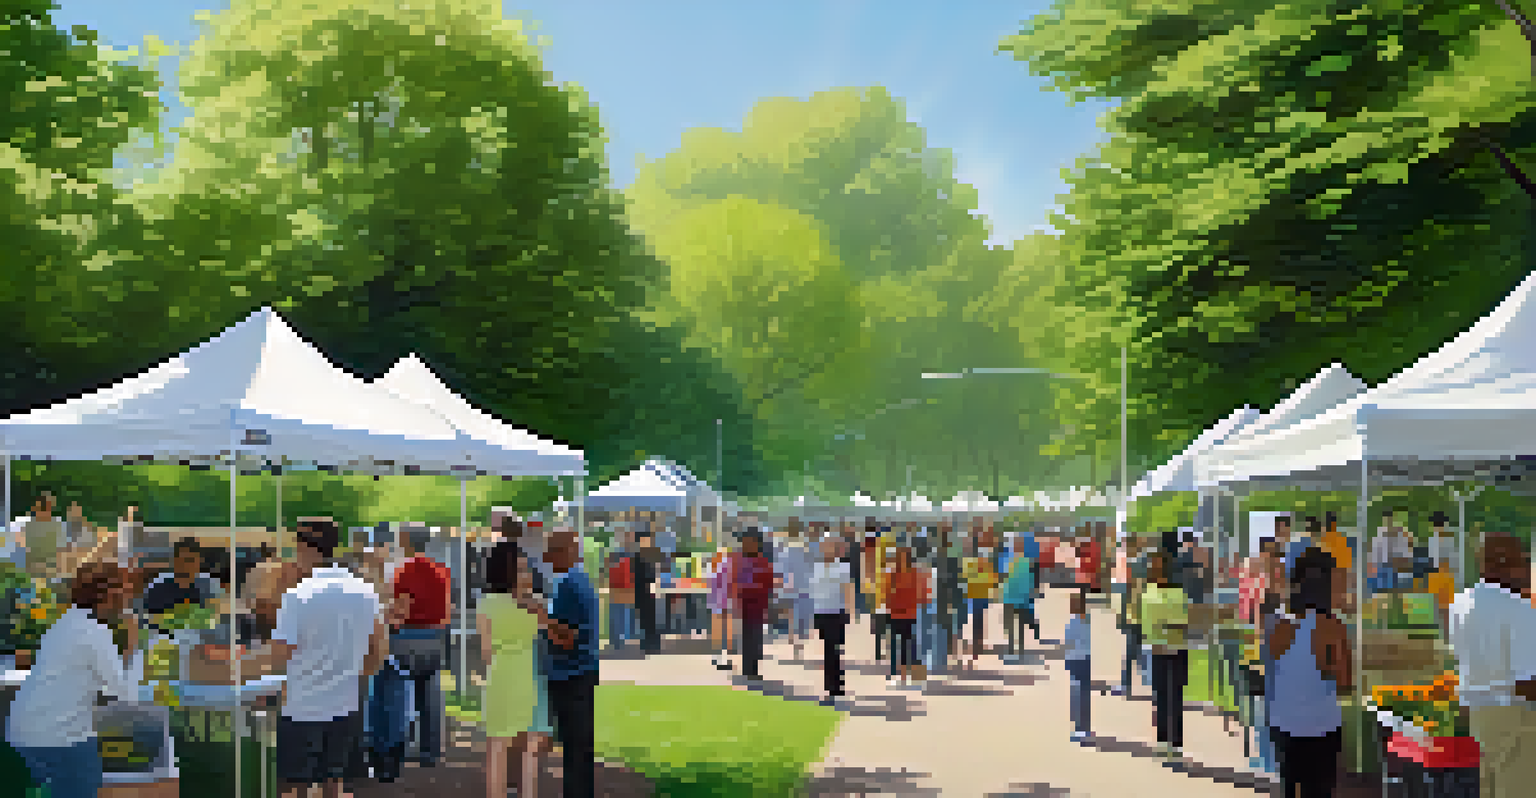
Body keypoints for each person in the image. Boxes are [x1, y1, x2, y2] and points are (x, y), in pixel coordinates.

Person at [269, 518, 389, 798]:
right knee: (333, 781)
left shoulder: (297, 595)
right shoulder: (364, 590)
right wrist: (355, 677)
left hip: (300, 705)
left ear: (303, 547)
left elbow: (279, 654)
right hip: (345, 703)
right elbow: (379, 648)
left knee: (292, 785)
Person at [6, 561, 143, 798]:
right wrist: (134, 643)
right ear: (109, 594)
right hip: (60, 739)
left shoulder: (67, 622)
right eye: (126, 591)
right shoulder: (93, 632)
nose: (128, 600)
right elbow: (128, 697)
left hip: (24, 734)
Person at [1447, 534, 1536, 798]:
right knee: (1518, 789)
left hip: (1477, 712)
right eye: (1524, 562)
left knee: (1490, 787)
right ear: (1507, 564)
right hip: (1513, 714)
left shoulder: (1459, 603)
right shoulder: (1519, 609)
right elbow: (1527, 683)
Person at [369, 522, 453, 779]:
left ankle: (396, 752)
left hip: (407, 637)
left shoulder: (404, 570)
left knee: (395, 697)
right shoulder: (443, 570)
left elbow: (402, 609)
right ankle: (430, 752)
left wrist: (386, 613)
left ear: (405, 539)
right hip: (435, 636)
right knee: (430, 696)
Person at [1267, 547, 1350, 798]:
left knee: (1289, 787)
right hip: (1320, 727)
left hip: (1283, 723)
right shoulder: (1332, 627)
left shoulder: (1275, 622)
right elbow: (1345, 681)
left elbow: (1271, 671)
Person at [478, 540, 554, 798]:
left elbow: (485, 651)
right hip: (529, 678)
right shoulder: (536, 604)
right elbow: (550, 632)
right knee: (529, 751)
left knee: (497, 747)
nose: (527, 573)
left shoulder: (485, 603)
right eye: (522, 568)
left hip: (499, 678)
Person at [542, 525, 600, 798]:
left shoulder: (567, 584)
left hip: (569, 672)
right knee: (580, 746)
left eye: (551, 550)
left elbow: (566, 636)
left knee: (574, 746)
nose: (546, 557)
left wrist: (541, 618)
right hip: (583, 669)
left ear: (568, 551)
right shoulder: (581, 579)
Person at [1141, 549, 1191, 767]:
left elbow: (1184, 620)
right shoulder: (1147, 592)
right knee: (1161, 695)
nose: (1156, 570)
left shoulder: (1178, 592)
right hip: (1158, 648)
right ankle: (1163, 742)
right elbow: (1144, 621)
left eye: (1160, 566)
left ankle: (1176, 744)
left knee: (1175, 696)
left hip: (1177, 647)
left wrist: (1166, 624)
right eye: (1154, 567)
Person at [811, 533, 855, 705]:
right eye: (824, 545)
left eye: (829, 545)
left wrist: (849, 612)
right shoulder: (816, 567)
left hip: (836, 612)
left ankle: (835, 686)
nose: (826, 548)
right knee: (827, 649)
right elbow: (813, 590)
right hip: (820, 611)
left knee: (834, 649)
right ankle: (831, 685)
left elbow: (847, 590)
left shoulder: (843, 567)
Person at [731, 528, 775, 681]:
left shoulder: (763, 562)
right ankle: (747, 668)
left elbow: (769, 585)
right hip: (743, 605)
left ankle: (752, 669)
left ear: (756, 543)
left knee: (755, 637)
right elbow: (734, 581)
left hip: (757, 606)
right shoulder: (738, 560)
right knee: (746, 637)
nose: (743, 544)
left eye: (746, 541)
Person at [141, 537, 221, 622]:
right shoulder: (158, 589)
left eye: (194, 561)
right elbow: (150, 620)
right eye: (187, 560)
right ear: (176, 561)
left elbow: (211, 618)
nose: (191, 565)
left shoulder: (202, 590)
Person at [882, 545, 928, 688]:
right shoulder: (895, 573)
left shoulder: (913, 573)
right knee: (901, 645)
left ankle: (911, 677)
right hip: (898, 613)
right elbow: (887, 594)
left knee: (910, 645)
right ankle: (903, 676)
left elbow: (922, 594)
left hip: (908, 613)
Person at [779, 518, 815, 662]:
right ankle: (798, 644)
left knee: (792, 617)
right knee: (802, 618)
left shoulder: (786, 548)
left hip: (790, 586)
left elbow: (782, 569)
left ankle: (795, 644)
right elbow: (811, 567)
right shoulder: (806, 547)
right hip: (804, 585)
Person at [1001, 529, 1039, 662]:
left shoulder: (1009, 561)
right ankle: (1016, 650)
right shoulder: (1024, 562)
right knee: (1015, 627)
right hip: (1015, 598)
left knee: (1014, 627)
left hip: (1015, 598)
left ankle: (1016, 650)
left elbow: (1003, 578)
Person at [962, 534, 998, 670]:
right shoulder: (985, 562)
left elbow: (964, 578)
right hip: (982, 594)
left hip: (972, 594)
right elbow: (992, 578)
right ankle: (978, 644)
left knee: (974, 621)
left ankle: (975, 645)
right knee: (979, 620)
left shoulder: (967, 562)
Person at [1065, 590, 1093, 744]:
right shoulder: (1087, 621)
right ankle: (1085, 727)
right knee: (1085, 693)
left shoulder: (1071, 622)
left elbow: (1068, 643)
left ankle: (1078, 727)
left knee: (1076, 694)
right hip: (1086, 659)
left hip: (1075, 660)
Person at [708, 538, 735, 670]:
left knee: (719, 630)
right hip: (724, 602)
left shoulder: (715, 566)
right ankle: (723, 657)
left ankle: (719, 656)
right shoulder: (728, 565)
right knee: (724, 630)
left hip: (719, 602)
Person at [606, 530, 635, 652]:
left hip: (624, 588)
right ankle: (617, 640)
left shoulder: (628, 554)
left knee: (622, 614)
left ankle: (620, 639)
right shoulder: (618, 553)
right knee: (618, 613)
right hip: (619, 588)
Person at [633, 529, 661, 654]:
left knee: (652, 619)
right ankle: (647, 645)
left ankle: (653, 644)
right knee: (645, 619)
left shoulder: (651, 555)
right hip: (642, 592)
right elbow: (637, 576)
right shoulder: (638, 557)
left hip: (651, 593)